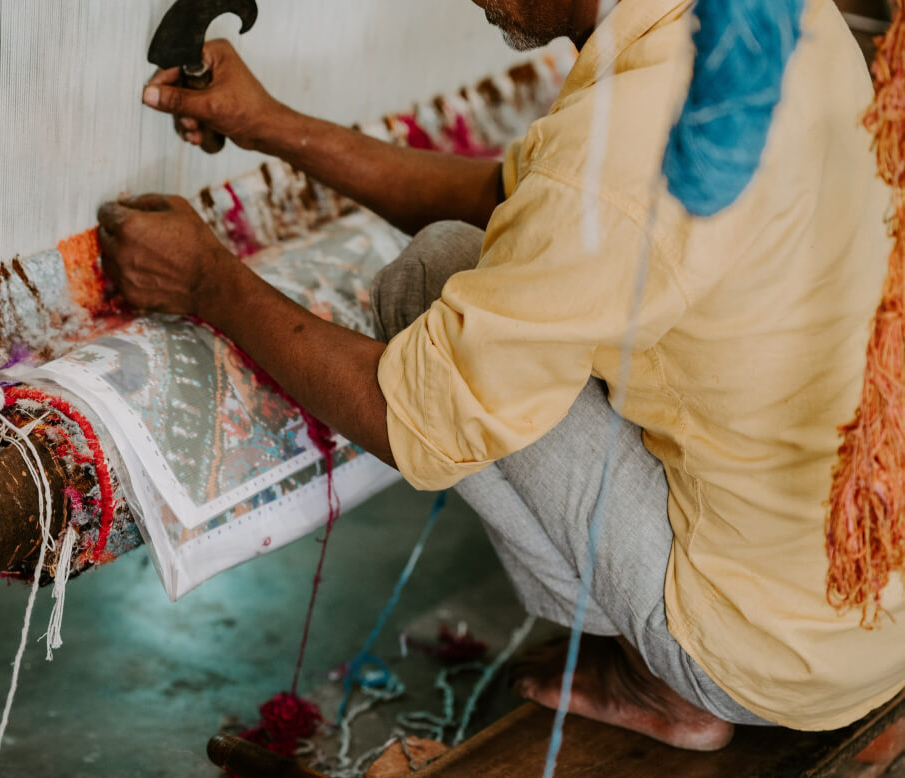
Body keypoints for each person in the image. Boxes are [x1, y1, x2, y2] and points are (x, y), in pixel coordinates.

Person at [97, 0, 905, 749]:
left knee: (435, 280)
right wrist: (272, 125)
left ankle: (673, 683)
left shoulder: (622, 145)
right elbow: (511, 199)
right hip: (875, 610)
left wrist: (210, 283)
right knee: (487, 263)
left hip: (765, 651)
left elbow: (413, 414)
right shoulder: (764, 25)